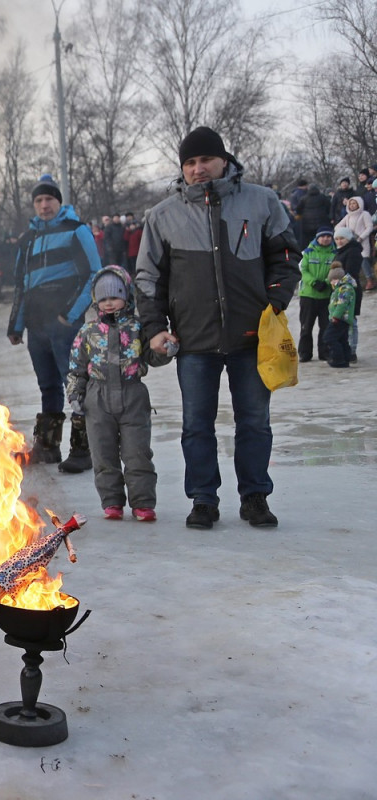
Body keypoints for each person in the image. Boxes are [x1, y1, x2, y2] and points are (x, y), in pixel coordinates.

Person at [135, 127, 300, 530]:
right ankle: (203, 500)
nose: (198, 168)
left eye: (206, 159)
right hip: (193, 341)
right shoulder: (162, 216)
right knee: (196, 425)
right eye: (190, 162)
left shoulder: (261, 202)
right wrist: (155, 328)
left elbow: (286, 257)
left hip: (251, 338)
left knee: (254, 421)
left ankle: (255, 496)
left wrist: (274, 303)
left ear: (224, 160)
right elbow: (147, 279)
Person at [7, 174, 100, 473]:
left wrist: (69, 316)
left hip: (66, 325)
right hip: (37, 325)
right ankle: (47, 447)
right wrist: (16, 324)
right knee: (47, 385)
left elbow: (94, 275)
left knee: (73, 384)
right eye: (39, 200)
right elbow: (22, 283)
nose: (44, 205)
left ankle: (84, 449)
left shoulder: (76, 230)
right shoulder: (28, 239)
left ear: (59, 202)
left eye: (49, 199)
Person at [66, 267, 169, 522]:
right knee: (103, 453)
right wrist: (75, 395)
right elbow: (76, 368)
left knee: (137, 453)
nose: (109, 303)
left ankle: (143, 503)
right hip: (97, 399)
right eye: (103, 298)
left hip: (132, 394)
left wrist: (167, 349)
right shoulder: (87, 332)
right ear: (95, 301)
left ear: (127, 296)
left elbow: (152, 356)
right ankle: (112, 501)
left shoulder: (137, 327)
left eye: (114, 296)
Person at [297, 227, 336, 362]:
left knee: (325, 326)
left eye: (328, 236)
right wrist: (314, 282)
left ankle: (324, 352)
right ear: (317, 238)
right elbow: (302, 269)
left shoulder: (334, 254)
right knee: (306, 326)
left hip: (326, 295)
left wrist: (326, 282)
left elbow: (336, 270)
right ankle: (305, 353)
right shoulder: (307, 252)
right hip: (308, 295)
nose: (325, 239)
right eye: (323, 236)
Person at [332, 227, 363, 361]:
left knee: (351, 321)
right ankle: (345, 349)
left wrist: (338, 282)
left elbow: (351, 272)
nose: (339, 241)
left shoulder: (353, 252)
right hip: (340, 290)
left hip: (350, 291)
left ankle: (351, 351)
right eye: (337, 239)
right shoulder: (341, 251)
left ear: (348, 239)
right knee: (343, 321)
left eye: (342, 238)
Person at [325, 264, 357, 367]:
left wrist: (335, 316)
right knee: (342, 339)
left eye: (332, 280)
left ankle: (338, 359)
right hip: (340, 319)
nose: (331, 283)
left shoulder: (345, 288)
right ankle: (345, 359)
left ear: (337, 279)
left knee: (329, 338)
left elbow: (342, 304)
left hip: (340, 319)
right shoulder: (341, 288)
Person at [338, 195, 374, 287]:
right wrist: (344, 233)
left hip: (363, 240)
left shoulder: (364, 214)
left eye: (354, 203)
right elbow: (338, 226)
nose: (352, 205)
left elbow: (369, 227)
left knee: (364, 259)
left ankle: (370, 279)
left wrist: (361, 237)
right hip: (351, 242)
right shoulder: (348, 216)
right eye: (350, 204)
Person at [294, 184, 332, 250]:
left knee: (307, 240)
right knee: (320, 237)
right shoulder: (323, 197)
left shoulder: (304, 198)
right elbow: (329, 207)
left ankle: (308, 251)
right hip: (321, 222)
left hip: (307, 223)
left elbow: (298, 209)